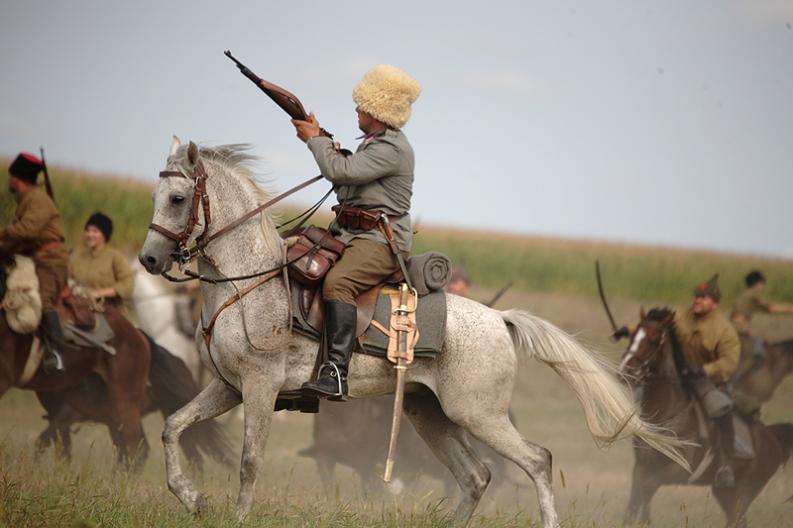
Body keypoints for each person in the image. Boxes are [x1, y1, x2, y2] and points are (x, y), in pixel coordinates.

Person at [291, 64, 421, 400]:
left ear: (376, 110)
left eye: (361, 104)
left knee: (339, 283)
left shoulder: (391, 147)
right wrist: (326, 144)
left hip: (380, 242)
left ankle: (335, 373)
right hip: (352, 235)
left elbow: (341, 173)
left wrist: (315, 143)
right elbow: (349, 185)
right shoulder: (374, 143)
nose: (356, 109)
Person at [0, 153, 69, 372]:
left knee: (45, 300)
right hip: (31, 260)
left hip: (51, 263)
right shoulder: (25, 201)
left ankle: (57, 352)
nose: (9, 180)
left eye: (11, 176)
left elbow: (27, 231)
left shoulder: (37, 199)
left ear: (18, 178)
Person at [673, 274, 740, 488]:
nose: (697, 300)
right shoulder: (681, 316)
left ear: (715, 303)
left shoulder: (724, 330)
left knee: (721, 410)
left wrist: (704, 370)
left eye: (703, 297)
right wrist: (629, 329)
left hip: (709, 383)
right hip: (680, 378)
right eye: (696, 296)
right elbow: (656, 327)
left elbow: (729, 362)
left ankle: (726, 465)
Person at [69, 212, 134, 317]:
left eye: (95, 231)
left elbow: (128, 284)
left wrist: (99, 293)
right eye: (88, 230)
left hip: (110, 313)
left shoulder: (115, 257)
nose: (90, 235)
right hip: (81, 311)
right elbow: (68, 279)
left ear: (104, 235)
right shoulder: (77, 257)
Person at [730, 270, 793, 360]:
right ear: (758, 283)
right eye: (762, 284)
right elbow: (770, 308)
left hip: (733, 323)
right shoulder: (753, 294)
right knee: (759, 347)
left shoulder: (745, 293)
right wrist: (790, 309)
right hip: (740, 326)